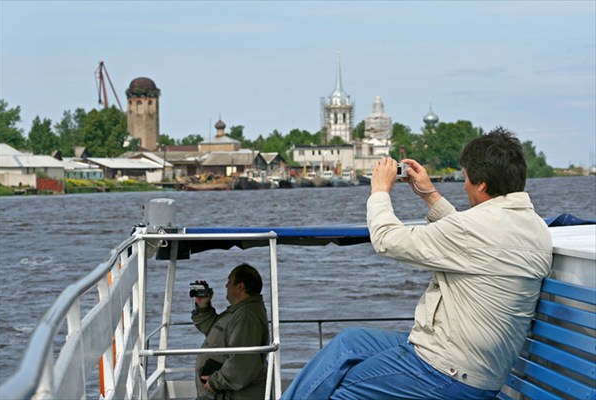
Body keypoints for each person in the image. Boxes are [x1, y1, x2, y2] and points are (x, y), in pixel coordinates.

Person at [282, 128, 553, 400]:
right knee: (349, 343)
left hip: (448, 372)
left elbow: (387, 239)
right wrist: (429, 194)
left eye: (467, 178)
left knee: (340, 392)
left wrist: (379, 191)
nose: (464, 185)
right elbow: (471, 239)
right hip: (469, 363)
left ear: (481, 185)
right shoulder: (534, 226)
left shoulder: (474, 230)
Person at [192, 263, 270, 400]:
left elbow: (243, 362)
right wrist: (203, 306)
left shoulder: (246, 316)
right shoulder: (239, 312)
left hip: (231, 395)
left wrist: (215, 382)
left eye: (229, 281)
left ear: (240, 286)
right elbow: (215, 332)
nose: (226, 286)